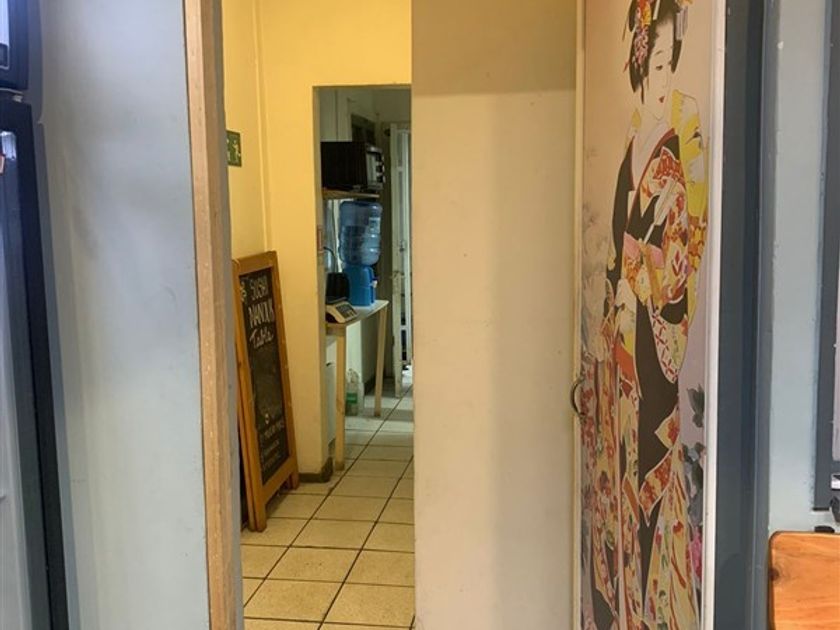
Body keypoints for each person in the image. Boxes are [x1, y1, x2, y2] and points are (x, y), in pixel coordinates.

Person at [581, 0, 708, 628]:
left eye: (669, 63)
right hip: (621, 349)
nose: (664, 78)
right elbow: (614, 253)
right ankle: (621, 603)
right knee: (615, 481)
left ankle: (653, 609)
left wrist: (640, 274)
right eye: (654, 65)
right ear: (637, 68)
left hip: (653, 352)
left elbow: (680, 259)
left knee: (650, 483)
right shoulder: (633, 148)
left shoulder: (676, 152)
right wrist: (615, 294)